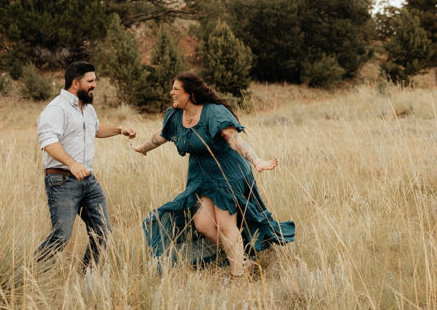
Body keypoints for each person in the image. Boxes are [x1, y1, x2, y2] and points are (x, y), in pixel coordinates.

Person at [131, 71, 294, 277]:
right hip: (201, 176)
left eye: (175, 89)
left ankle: (238, 276)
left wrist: (256, 160)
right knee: (203, 224)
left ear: (189, 93)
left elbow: (234, 139)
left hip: (227, 173)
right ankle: (243, 258)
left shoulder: (213, 113)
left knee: (226, 226)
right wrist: (143, 148)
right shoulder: (175, 115)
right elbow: (162, 135)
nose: (171, 92)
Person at [36, 61, 136, 268]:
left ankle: (87, 279)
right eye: (90, 81)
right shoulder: (56, 109)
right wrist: (72, 164)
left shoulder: (87, 108)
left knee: (102, 231)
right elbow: (48, 142)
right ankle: (30, 275)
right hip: (61, 180)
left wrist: (119, 130)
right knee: (61, 237)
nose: (95, 85)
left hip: (87, 180)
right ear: (75, 83)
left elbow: (95, 129)